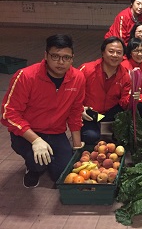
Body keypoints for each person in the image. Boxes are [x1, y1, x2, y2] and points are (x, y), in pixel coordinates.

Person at [1, 34, 86, 188]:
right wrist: (35, 140)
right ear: (46, 55)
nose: (61, 62)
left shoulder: (78, 78)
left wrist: (77, 146)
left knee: (63, 174)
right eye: (55, 56)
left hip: (56, 132)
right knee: (37, 162)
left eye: (66, 57)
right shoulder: (26, 76)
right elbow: (9, 114)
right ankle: (32, 168)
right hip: (27, 132)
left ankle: (50, 159)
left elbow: (75, 112)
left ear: (72, 58)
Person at [78, 37, 133, 145]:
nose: (115, 55)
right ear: (103, 52)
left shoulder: (125, 75)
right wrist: (79, 109)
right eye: (111, 51)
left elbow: (124, 101)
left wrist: (133, 98)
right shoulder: (87, 70)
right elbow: (71, 93)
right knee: (91, 136)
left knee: (127, 131)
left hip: (109, 111)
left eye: (119, 52)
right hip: (88, 112)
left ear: (123, 56)